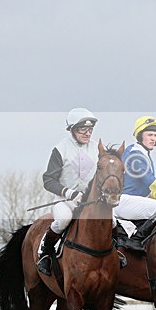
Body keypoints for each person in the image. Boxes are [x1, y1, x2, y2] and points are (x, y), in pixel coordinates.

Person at [38, 108, 101, 276]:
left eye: (90, 129)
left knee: (113, 221)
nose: (88, 133)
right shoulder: (60, 149)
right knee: (63, 220)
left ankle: (117, 252)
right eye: (83, 129)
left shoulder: (96, 148)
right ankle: (45, 252)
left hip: (91, 201)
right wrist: (69, 193)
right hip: (65, 199)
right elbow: (48, 180)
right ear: (72, 129)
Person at [113, 116, 156, 251]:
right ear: (139, 136)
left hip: (134, 200)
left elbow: (146, 188)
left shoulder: (143, 153)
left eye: (155, 135)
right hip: (124, 201)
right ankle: (136, 239)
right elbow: (150, 181)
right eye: (149, 135)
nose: (153, 138)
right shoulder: (134, 154)